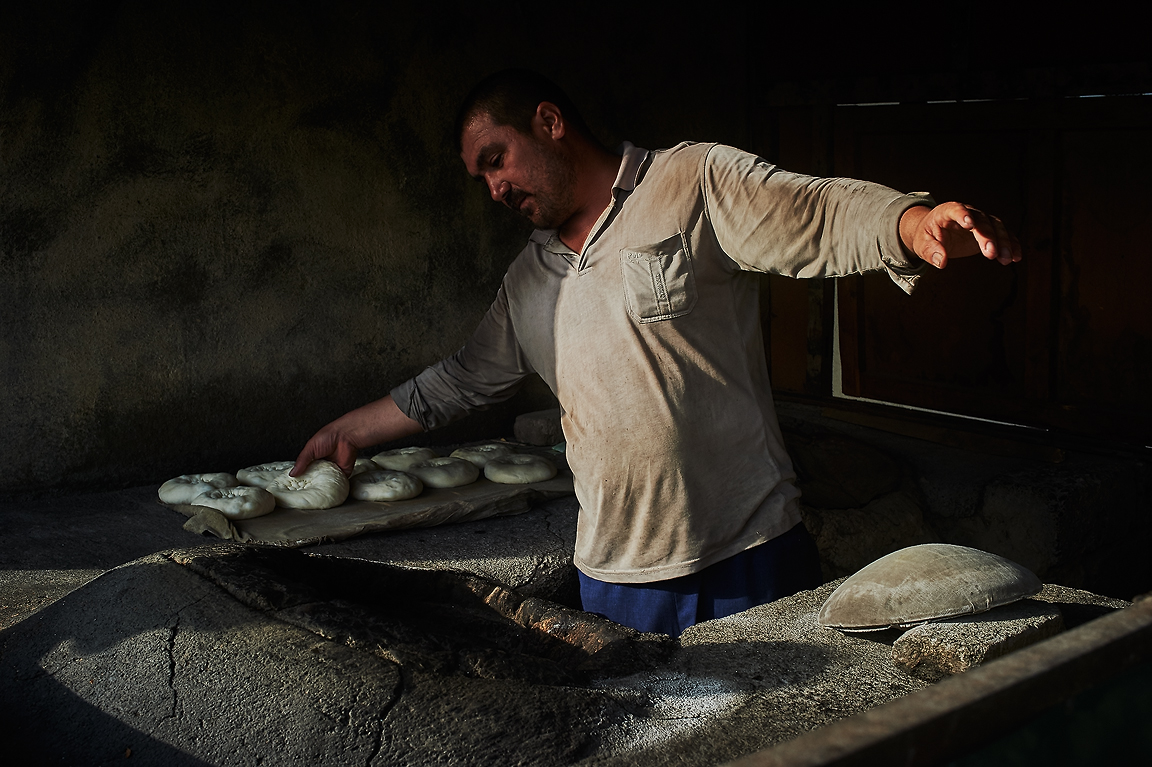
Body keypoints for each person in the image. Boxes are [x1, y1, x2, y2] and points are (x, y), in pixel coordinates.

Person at [291, 69, 1021, 636]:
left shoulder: (690, 181)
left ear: (549, 123)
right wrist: (349, 430)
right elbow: (460, 380)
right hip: (615, 578)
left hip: (747, 554)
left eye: (496, 160)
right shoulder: (529, 280)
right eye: (482, 176)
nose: (494, 188)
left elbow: (814, 210)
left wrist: (908, 222)